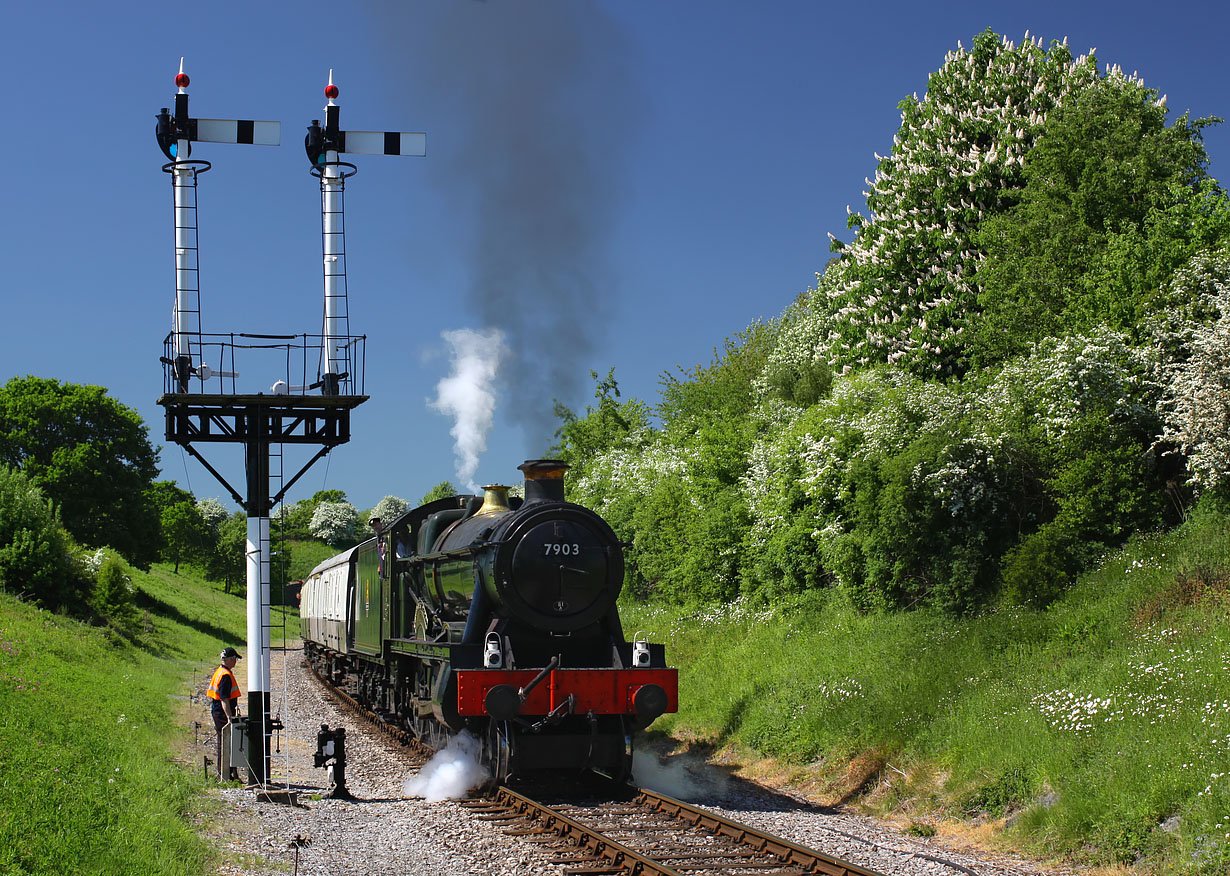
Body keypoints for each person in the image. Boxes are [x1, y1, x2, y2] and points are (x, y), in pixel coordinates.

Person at [206, 647, 242, 779]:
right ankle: (225, 773)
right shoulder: (225, 676)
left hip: (217, 710)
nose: (236, 662)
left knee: (225, 741)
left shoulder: (220, 671)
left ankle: (227, 772)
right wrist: (229, 717)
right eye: (235, 659)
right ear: (231, 659)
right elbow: (224, 699)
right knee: (226, 742)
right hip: (221, 712)